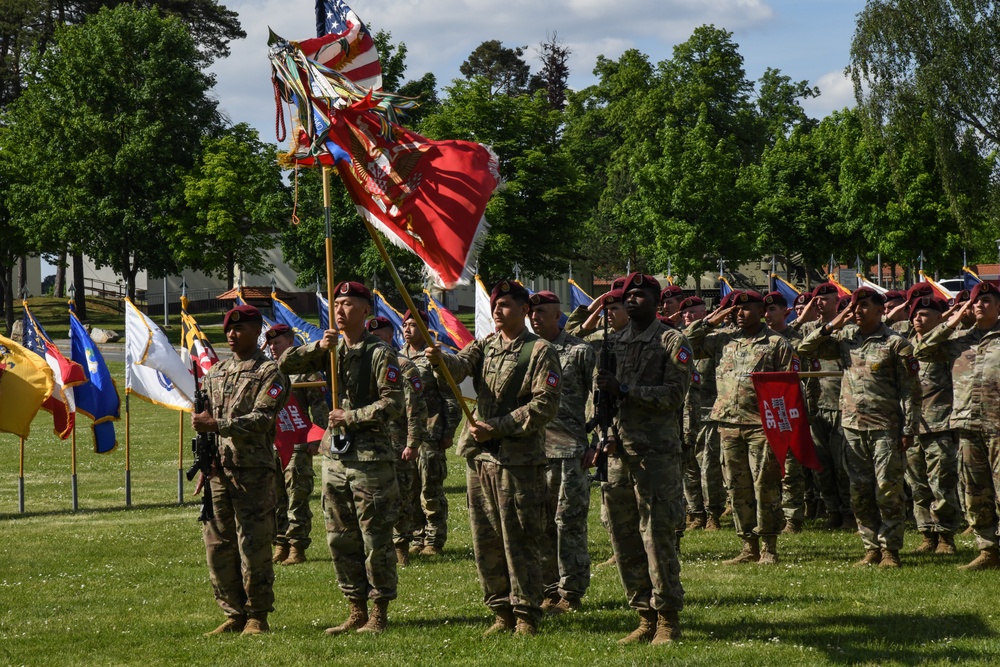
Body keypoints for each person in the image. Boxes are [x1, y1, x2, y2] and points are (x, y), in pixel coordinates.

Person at [427, 279, 561, 637]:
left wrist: (497, 427)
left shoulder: (539, 350)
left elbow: (544, 405)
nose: (497, 311)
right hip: (481, 458)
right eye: (494, 305)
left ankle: (526, 613)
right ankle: (500, 610)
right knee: (485, 538)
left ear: (524, 310)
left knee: (519, 537)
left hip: (518, 460)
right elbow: (459, 369)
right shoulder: (484, 345)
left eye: (504, 305)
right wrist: (440, 359)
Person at [279, 281, 404, 634]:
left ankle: (378, 612)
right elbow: (286, 363)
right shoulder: (329, 349)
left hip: (370, 461)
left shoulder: (379, 353)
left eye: (348, 304)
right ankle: (354, 608)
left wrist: (351, 416)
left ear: (366, 311)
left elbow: (394, 403)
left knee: (375, 539)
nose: (340, 310)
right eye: (336, 303)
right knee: (339, 536)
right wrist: (319, 346)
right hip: (335, 458)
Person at [597, 272, 691, 645]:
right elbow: (601, 400)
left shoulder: (671, 340)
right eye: (627, 296)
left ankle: (668, 618)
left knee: (657, 536)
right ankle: (643, 615)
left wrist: (624, 389)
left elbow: (673, 394)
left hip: (656, 455)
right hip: (619, 453)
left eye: (639, 295)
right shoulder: (614, 342)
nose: (631, 300)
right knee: (623, 538)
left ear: (655, 301)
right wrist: (604, 434)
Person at [798, 287, 921, 568]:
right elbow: (804, 349)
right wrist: (833, 324)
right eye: (854, 306)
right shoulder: (845, 340)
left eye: (864, 306)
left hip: (885, 427)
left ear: (881, 311)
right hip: (853, 427)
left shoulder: (896, 344)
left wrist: (909, 429)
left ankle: (890, 550)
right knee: (860, 492)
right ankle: (871, 548)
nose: (858, 311)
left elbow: (910, 392)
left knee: (887, 490)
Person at [194, 304, 290, 636]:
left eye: (241, 329)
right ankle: (233, 613)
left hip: (253, 472)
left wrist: (217, 425)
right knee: (218, 545)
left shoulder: (270, 373)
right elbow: (202, 424)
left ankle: (257, 615)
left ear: (257, 331)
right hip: (219, 471)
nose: (233, 335)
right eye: (229, 330)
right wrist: (204, 466)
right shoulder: (215, 372)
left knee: (254, 544)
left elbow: (263, 419)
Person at [687, 290, 797, 565]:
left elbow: (788, 387)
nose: (739, 313)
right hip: (727, 423)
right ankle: (748, 545)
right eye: (735, 308)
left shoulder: (776, 343)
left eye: (745, 308)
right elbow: (685, 342)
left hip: (762, 425)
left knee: (765, 487)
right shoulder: (722, 339)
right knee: (737, 488)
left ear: (761, 311)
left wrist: (783, 429)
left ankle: (769, 546)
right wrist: (712, 321)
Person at [913, 281, 1000, 570]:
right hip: (967, 425)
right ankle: (987, 550)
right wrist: (951, 321)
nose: (979, 305)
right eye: (975, 301)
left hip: (998, 425)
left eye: (986, 300)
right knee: (975, 492)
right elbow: (922, 350)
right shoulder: (959, 340)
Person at [528, 290, 596, 615]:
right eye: (532, 312)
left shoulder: (581, 351)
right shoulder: (526, 352)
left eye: (542, 312)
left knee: (568, 524)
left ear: (558, 316)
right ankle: (548, 590)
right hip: (533, 453)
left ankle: (571, 593)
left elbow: (601, 400)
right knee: (540, 525)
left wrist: (597, 442)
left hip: (570, 450)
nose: (535, 317)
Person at [366, 315, 429, 567]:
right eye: (372, 338)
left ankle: (402, 545)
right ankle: (379, 546)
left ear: (390, 337)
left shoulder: (403, 366)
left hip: (398, 442)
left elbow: (416, 408)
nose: (375, 342)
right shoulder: (365, 366)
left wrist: (412, 442)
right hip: (371, 443)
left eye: (379, 337)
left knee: (401, 495)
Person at [793, 283, 855, 530]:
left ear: (836, 299)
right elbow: (793, 337)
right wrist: (807, 312)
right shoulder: (809, 328)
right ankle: (832, 511)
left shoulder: (848, 330)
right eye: (815, 299)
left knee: (843, 465)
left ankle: (849, 512)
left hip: (842, 404)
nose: (818, 302)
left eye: (824, 298)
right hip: (815, 405)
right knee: (821, 465)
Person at [266, 324, 329, 567]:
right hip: (273, 443)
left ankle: (297, 546)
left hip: (299, 443)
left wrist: (318, 438)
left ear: (290, 342)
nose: (273, 347)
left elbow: (319, 408)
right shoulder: (269, 371)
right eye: (270, 344)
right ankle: (280, 543)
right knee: (275, 496)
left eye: (278, 343)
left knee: (296, 496)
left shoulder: (307, 373)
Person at [400, 309, 461, 557]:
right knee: (409, 489)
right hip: (405, 435)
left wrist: (448, 432)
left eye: (414, 325)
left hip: (430, 433)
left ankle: (434, 539)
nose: (407, 329)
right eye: (405, 325)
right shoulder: (398, 357)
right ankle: (417, 536)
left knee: (430, 489)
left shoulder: (435, 358)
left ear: (425, 329)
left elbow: (451, 397)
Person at [904, 297, 960, 555]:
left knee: (942, 483)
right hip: (911, 426)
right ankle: (927, 535)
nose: (918, 319)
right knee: (918, 485)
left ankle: (946, 536)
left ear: (940, 318)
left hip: (939, 424)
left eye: (925, 314)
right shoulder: (904, 345)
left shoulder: (947, 346)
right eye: (916, 314)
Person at [678, 296, 724, 532]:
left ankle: (712, 513)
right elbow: (686, 340)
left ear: (705, 312)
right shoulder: (677, 338)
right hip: (684, 413)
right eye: (684, 313)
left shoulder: (715, 338)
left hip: (708, 410)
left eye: (693, 312)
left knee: (709, 467)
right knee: (688, 467)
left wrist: (707, 324)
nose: (687, 316)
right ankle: (694, 513)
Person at [763, 291, 807, 534]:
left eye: (773, 310)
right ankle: (774, 515)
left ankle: (793, 518)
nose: (768, 315)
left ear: (785, 312)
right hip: (764, 410)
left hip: (786, 409)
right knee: (769, 467)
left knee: (790, 467)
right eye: (765, 311)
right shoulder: (760, 339)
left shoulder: (794, 338)